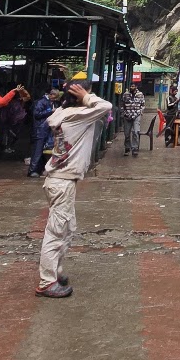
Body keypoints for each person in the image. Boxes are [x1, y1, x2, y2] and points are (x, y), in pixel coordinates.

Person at [35, 82, 111, 298]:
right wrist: (86, 96)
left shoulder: (62, 112)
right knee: (56, 232)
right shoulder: (79, 115)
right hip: (62, 183)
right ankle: (47, 282)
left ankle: (55, 272)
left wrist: (79, 97)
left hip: (58, 181)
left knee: (68, 228)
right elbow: (105, 106)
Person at [27, 89, 56, 178]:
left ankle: (38, 169)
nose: (55, 99)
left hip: (45, 129)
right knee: (38, 150)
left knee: (42, 150)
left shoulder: (48, 102)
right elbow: (37, 114)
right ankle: (33, 170)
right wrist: (51, 111)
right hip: (40, 129)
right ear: (51, 95)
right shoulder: (41, 102)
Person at [120, 85, 145, 157]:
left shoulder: (140, 95)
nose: (132, 87)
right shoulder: (125, 94)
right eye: (131, 86)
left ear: (136, 87)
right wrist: (124, 113)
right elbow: (122, 104)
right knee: (127, 133)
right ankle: (127, 148)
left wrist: (140, 112)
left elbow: (143, 105)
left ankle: (134, 148)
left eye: (133, 86)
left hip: (136, 116)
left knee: (136, 131)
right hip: (127, 116)